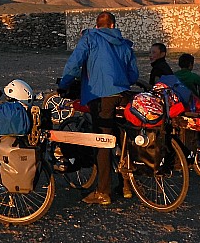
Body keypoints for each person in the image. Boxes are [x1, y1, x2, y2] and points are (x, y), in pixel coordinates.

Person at [58, 11, 139, 205]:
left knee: (102, 142)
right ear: (113, 26)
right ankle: (126, 185)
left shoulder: (90, 38)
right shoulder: (125, 44)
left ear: (97, 26)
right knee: (122, 138)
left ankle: (103, 191)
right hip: (123, 96)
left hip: (101, 96)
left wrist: (64, 83)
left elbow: (74, 63)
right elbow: (133, 75)